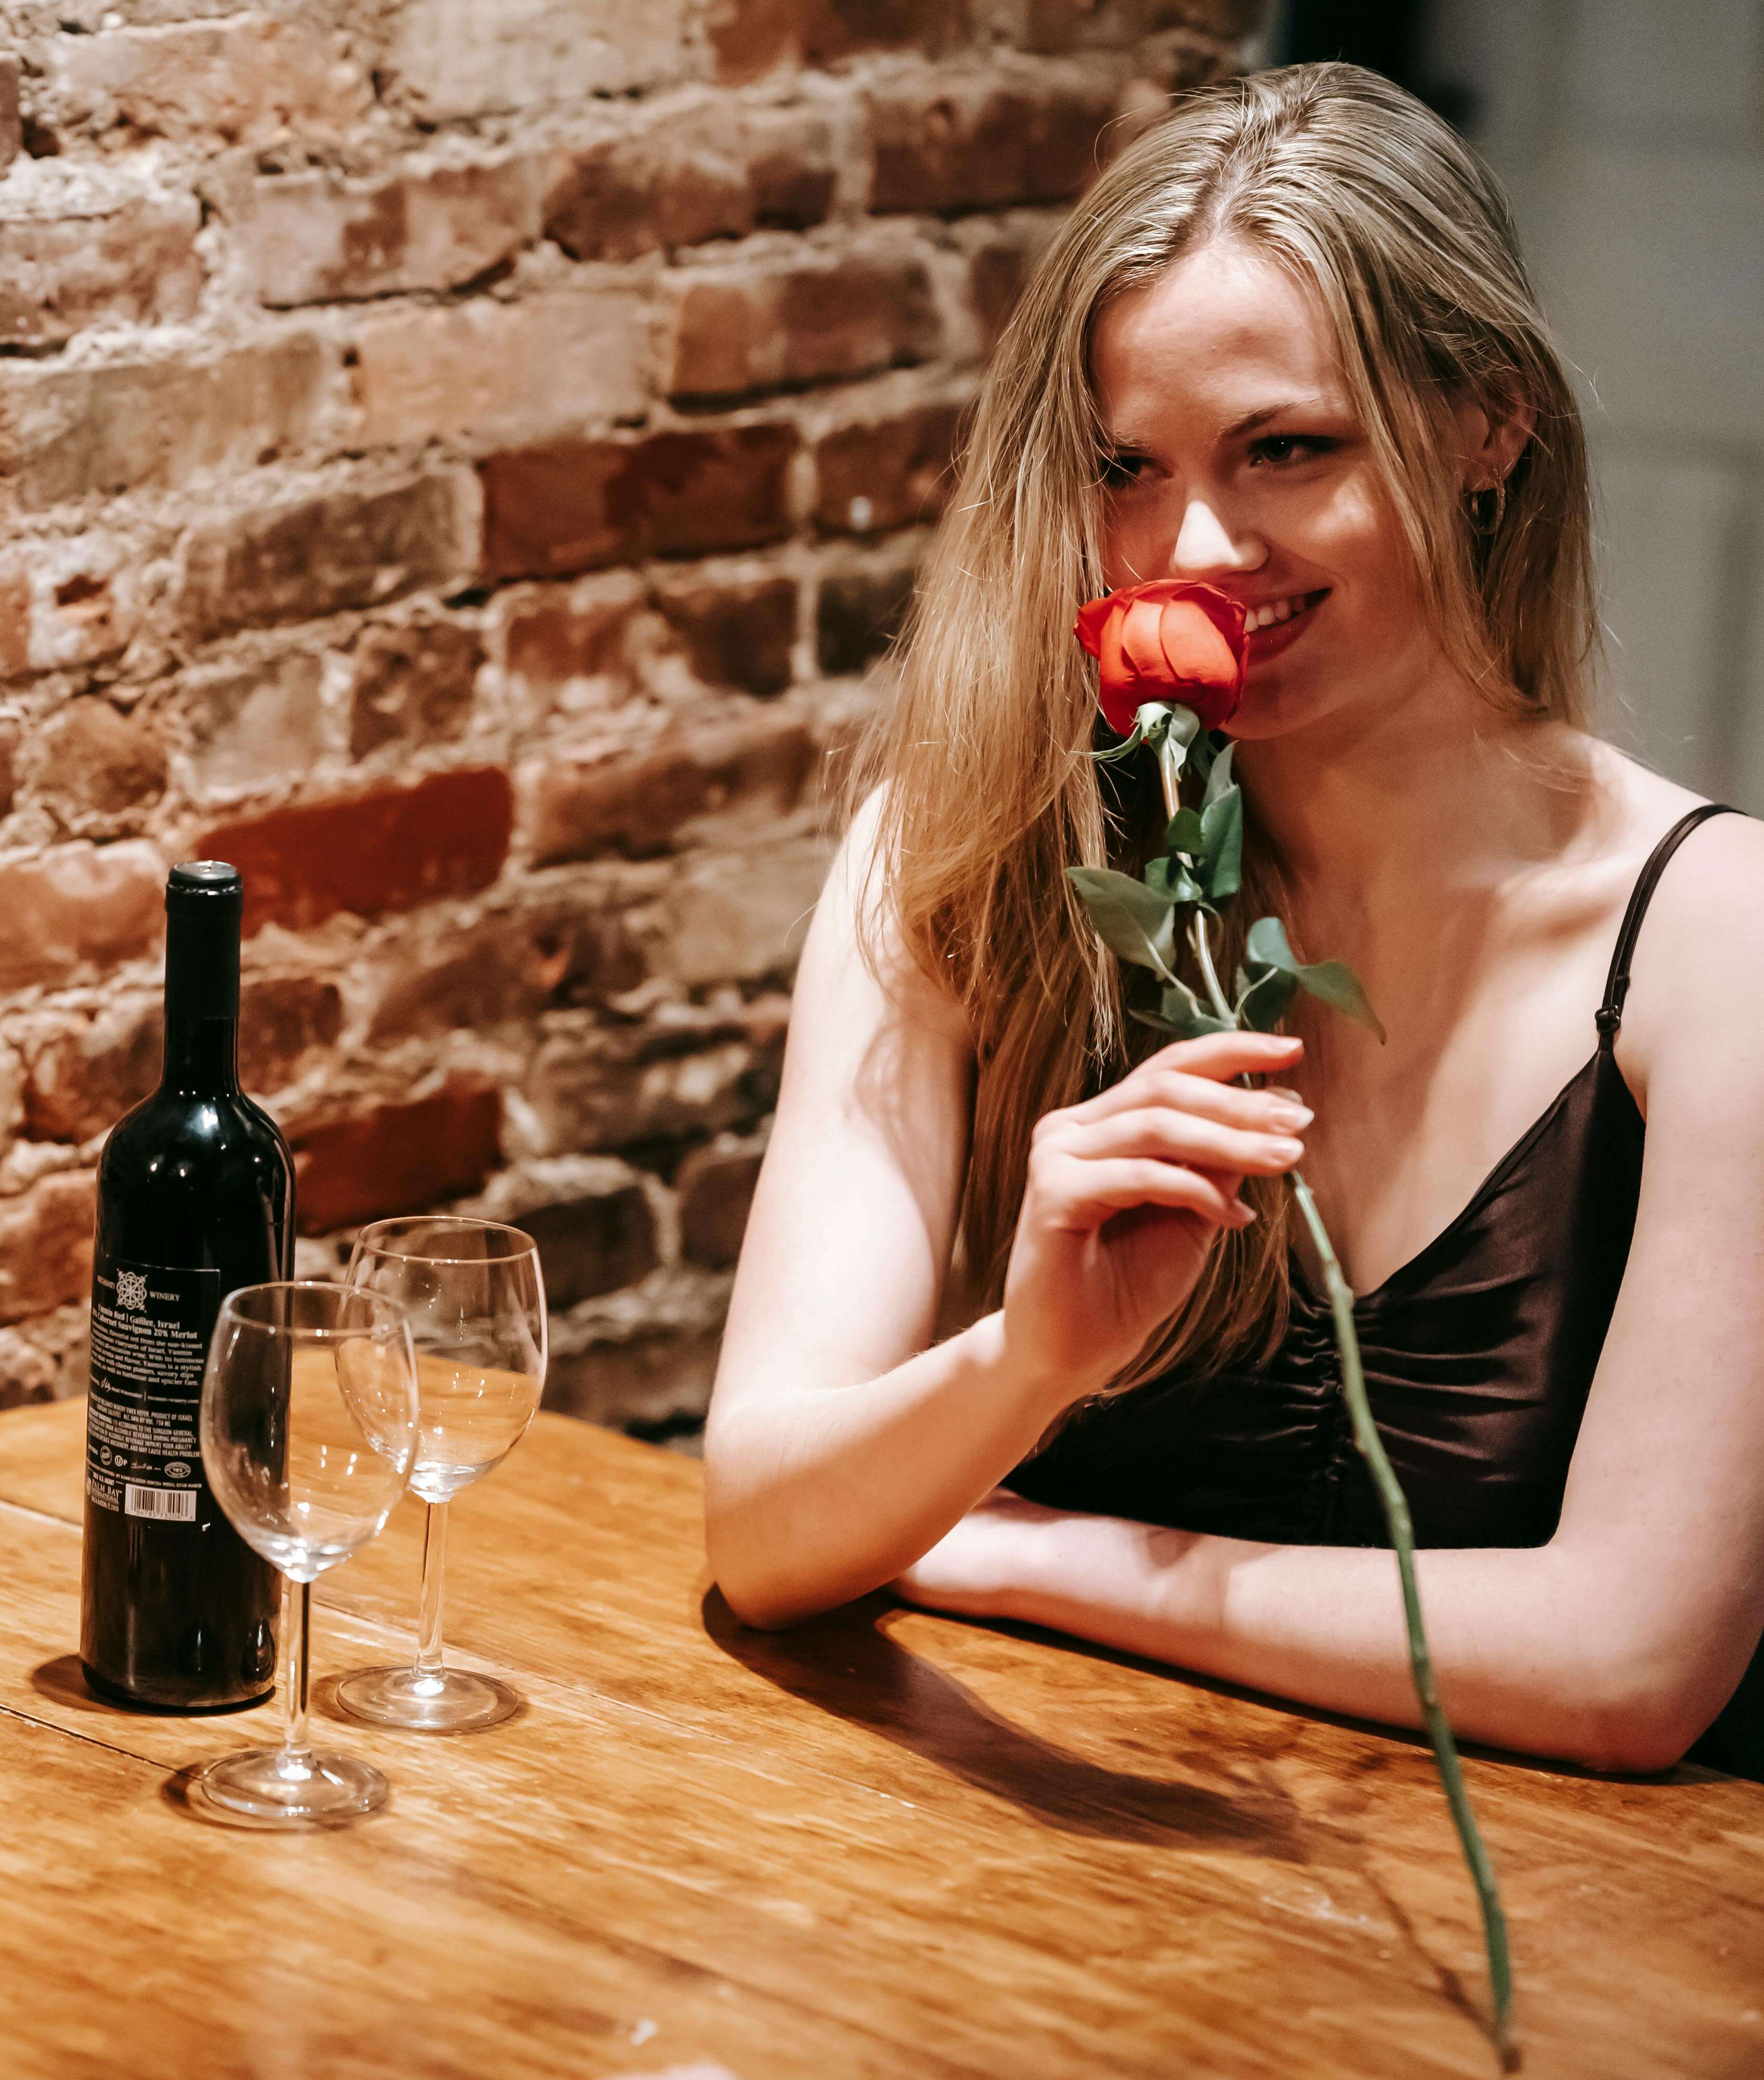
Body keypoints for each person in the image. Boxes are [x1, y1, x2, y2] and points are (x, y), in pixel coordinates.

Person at [701, 64, 1764, 1778]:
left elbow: (1628, 1663)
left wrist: (1033, 1553)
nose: (1193, 544)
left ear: (1489, 424)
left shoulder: (1724, 944)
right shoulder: (953, 856)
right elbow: (763, 1527)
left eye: (1289, 449)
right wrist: (1024, 1362)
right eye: (1130, 467)